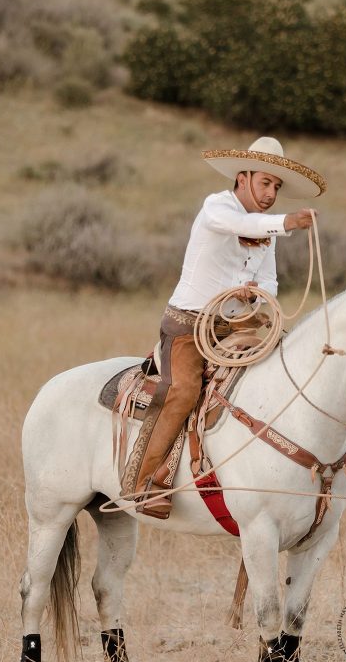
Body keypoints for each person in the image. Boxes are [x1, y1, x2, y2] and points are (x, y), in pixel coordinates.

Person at [122, 136, 326, 519]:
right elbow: (236, 223)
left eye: (276, 187)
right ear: (243, 178)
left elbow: (271, 281)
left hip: (234, 328)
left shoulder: (265, 230)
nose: (270, 193)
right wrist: (287, 222)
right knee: (183, 391)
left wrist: (256, 293)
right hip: (188, 324)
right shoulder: (217, 206)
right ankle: (144, 482)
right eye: (266, 183)